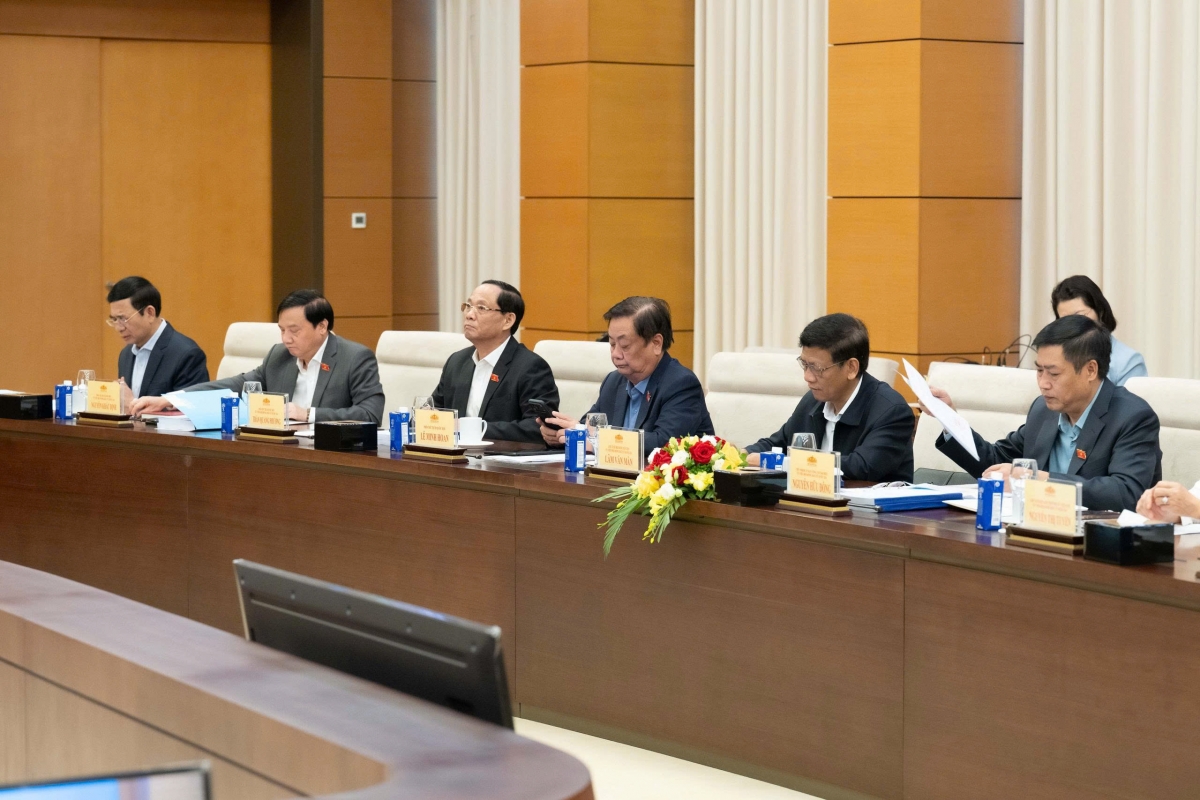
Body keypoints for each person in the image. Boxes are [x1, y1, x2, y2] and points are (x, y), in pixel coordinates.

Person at [929, 314, 1161, 512]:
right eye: (1039, 371)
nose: (1043, 383)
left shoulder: (1133, 417)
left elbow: (1126, 493)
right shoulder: (1043, 409)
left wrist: (1035, 480)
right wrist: (951, 421)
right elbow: (997, 464)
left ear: (1090, 370)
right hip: (1039, 530)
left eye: (1054, 374)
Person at [131, 290, 385, 424]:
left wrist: (307, 414)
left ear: (322, 326)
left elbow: (370, 415)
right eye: (282, 330)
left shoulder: (355, 358)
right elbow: (235, 385)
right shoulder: (279, 356)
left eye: (294, 331)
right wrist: (171, 399)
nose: (286, 339)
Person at [744, 314, 914, 482]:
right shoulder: (813, 401)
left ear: (851, 368)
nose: (807, 377)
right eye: (804, 364)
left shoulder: (891, 411)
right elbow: (778, 444)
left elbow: (861, 467)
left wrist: (781, 463)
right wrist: (740, 454)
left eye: (816, 368)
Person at [539, 296, 713, 453]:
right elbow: (591, 427)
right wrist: (565, 433)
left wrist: (598, 441)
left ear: (656, 343)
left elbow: (664, 443)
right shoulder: (614, 381)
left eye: (625, 346)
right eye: (612, 344)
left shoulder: (681, 384)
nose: (615, 354)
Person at [431, 280, 559, 443]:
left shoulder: (531, 367)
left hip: (500, 457)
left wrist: (472, 428)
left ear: (508, 320)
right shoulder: (457, 362)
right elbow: (434, 411)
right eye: (468, 306)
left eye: (481, 308)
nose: (469, 314)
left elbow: (537, 428)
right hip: (455, 454)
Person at [107, 276, 208, 399]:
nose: (119, 328)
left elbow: (191, 407)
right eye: (114, 319)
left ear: (150, 313)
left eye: (123, 319)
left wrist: (132, 405)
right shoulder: (126, 354)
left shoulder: (187, 354)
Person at [1051, 275, 1147, 386]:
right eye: (1065, 320)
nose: (1073, 325)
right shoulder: (1055, 358)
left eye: (1080, 316)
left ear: (1100, 312)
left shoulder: (1128, 362)